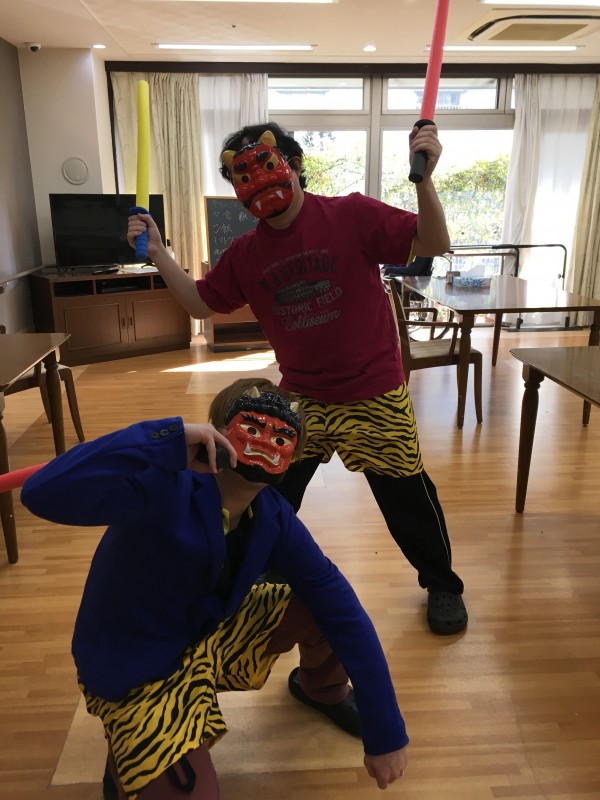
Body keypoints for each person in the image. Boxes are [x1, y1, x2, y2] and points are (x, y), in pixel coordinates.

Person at [127, 121, 468, 636]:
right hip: (302, 397)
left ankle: (442, 582)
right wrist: (157, 252)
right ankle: (257, 574)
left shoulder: (351, 214)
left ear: (296, 164)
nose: (258, 182)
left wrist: (427, 179)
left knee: (406, 497)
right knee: (263, 491)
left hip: (374, 391)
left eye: (266, 164)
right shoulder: (246, 253)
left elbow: (434, 241)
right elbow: (200, 302)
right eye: (241, 176)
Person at [21, 378, 408, 800]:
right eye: (251, 428)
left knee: (318, 603)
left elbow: (340, 607)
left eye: (282, 437)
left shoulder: (274, 517)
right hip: (139, 667)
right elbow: (43, 492)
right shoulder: (159, 486)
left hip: (211, 634)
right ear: (216, 432)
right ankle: (130, 749)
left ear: (293, 455)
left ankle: (321, 688)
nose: (265, 443)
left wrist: (385, 728)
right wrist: (163, 439)